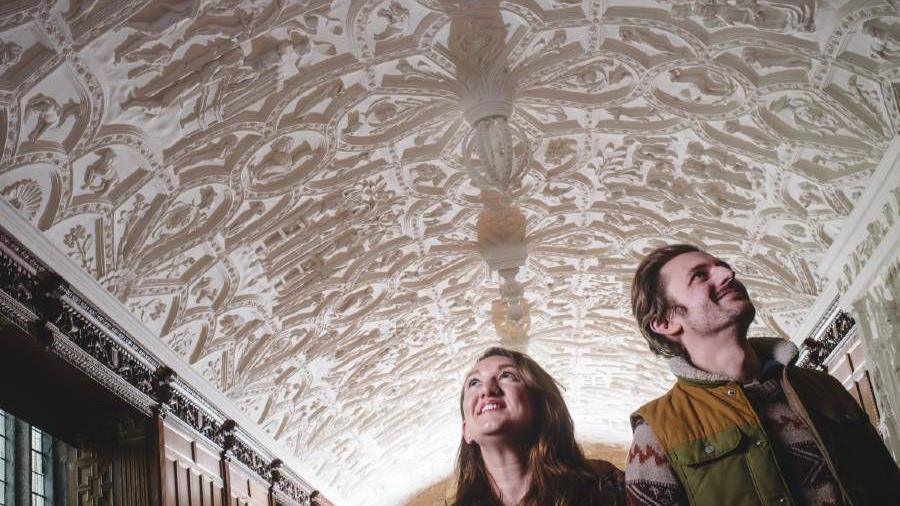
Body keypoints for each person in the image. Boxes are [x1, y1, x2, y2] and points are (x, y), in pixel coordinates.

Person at [625, 244, 900, 505]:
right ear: (665, 322)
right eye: (699, 276)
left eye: (723, 266)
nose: (728, 274)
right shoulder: (656, 434)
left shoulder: (824, 387)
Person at [452, 347, 624, 506]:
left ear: (543, 407)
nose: (487, 389)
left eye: (507, 375)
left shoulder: (606, 486)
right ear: (466, 430)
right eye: (474, 382)